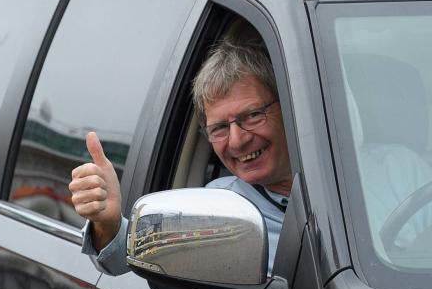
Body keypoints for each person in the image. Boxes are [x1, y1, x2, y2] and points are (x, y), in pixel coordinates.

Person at [69, 21, 290, 275]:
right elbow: (139, 261)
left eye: (252, 115)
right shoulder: (219, 209)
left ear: (288, 109)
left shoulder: (344, 178)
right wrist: (109, 225)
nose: (238, 140)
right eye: (219, 128)